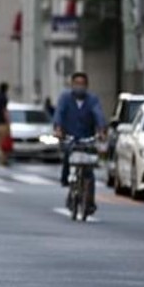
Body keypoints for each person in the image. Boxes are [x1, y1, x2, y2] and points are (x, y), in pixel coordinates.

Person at [53, 72, 107, 207]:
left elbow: (98, 114)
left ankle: (89, 201)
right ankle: (66, 181)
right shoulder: (65, 98)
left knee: (89, 171)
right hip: (70, 137)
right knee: (68, 157)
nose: (79, 87)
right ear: (72, 85)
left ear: (87, 85)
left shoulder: (92, 99)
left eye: (82, 84)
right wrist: (58, 129)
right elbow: (59, 113)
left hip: (87, 138)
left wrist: (101, 130)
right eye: (76, 83)